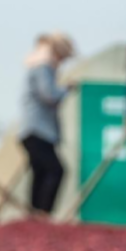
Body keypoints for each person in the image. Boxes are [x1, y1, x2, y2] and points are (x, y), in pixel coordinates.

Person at [19, 32, 76, 216]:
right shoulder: (43, 68)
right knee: (55, 170)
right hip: (39, 129)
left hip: (34, 129)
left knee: (40, 172)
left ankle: (35, 213)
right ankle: (42, 212)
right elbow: (49, 95)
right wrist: (66, 90)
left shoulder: (39, 67)